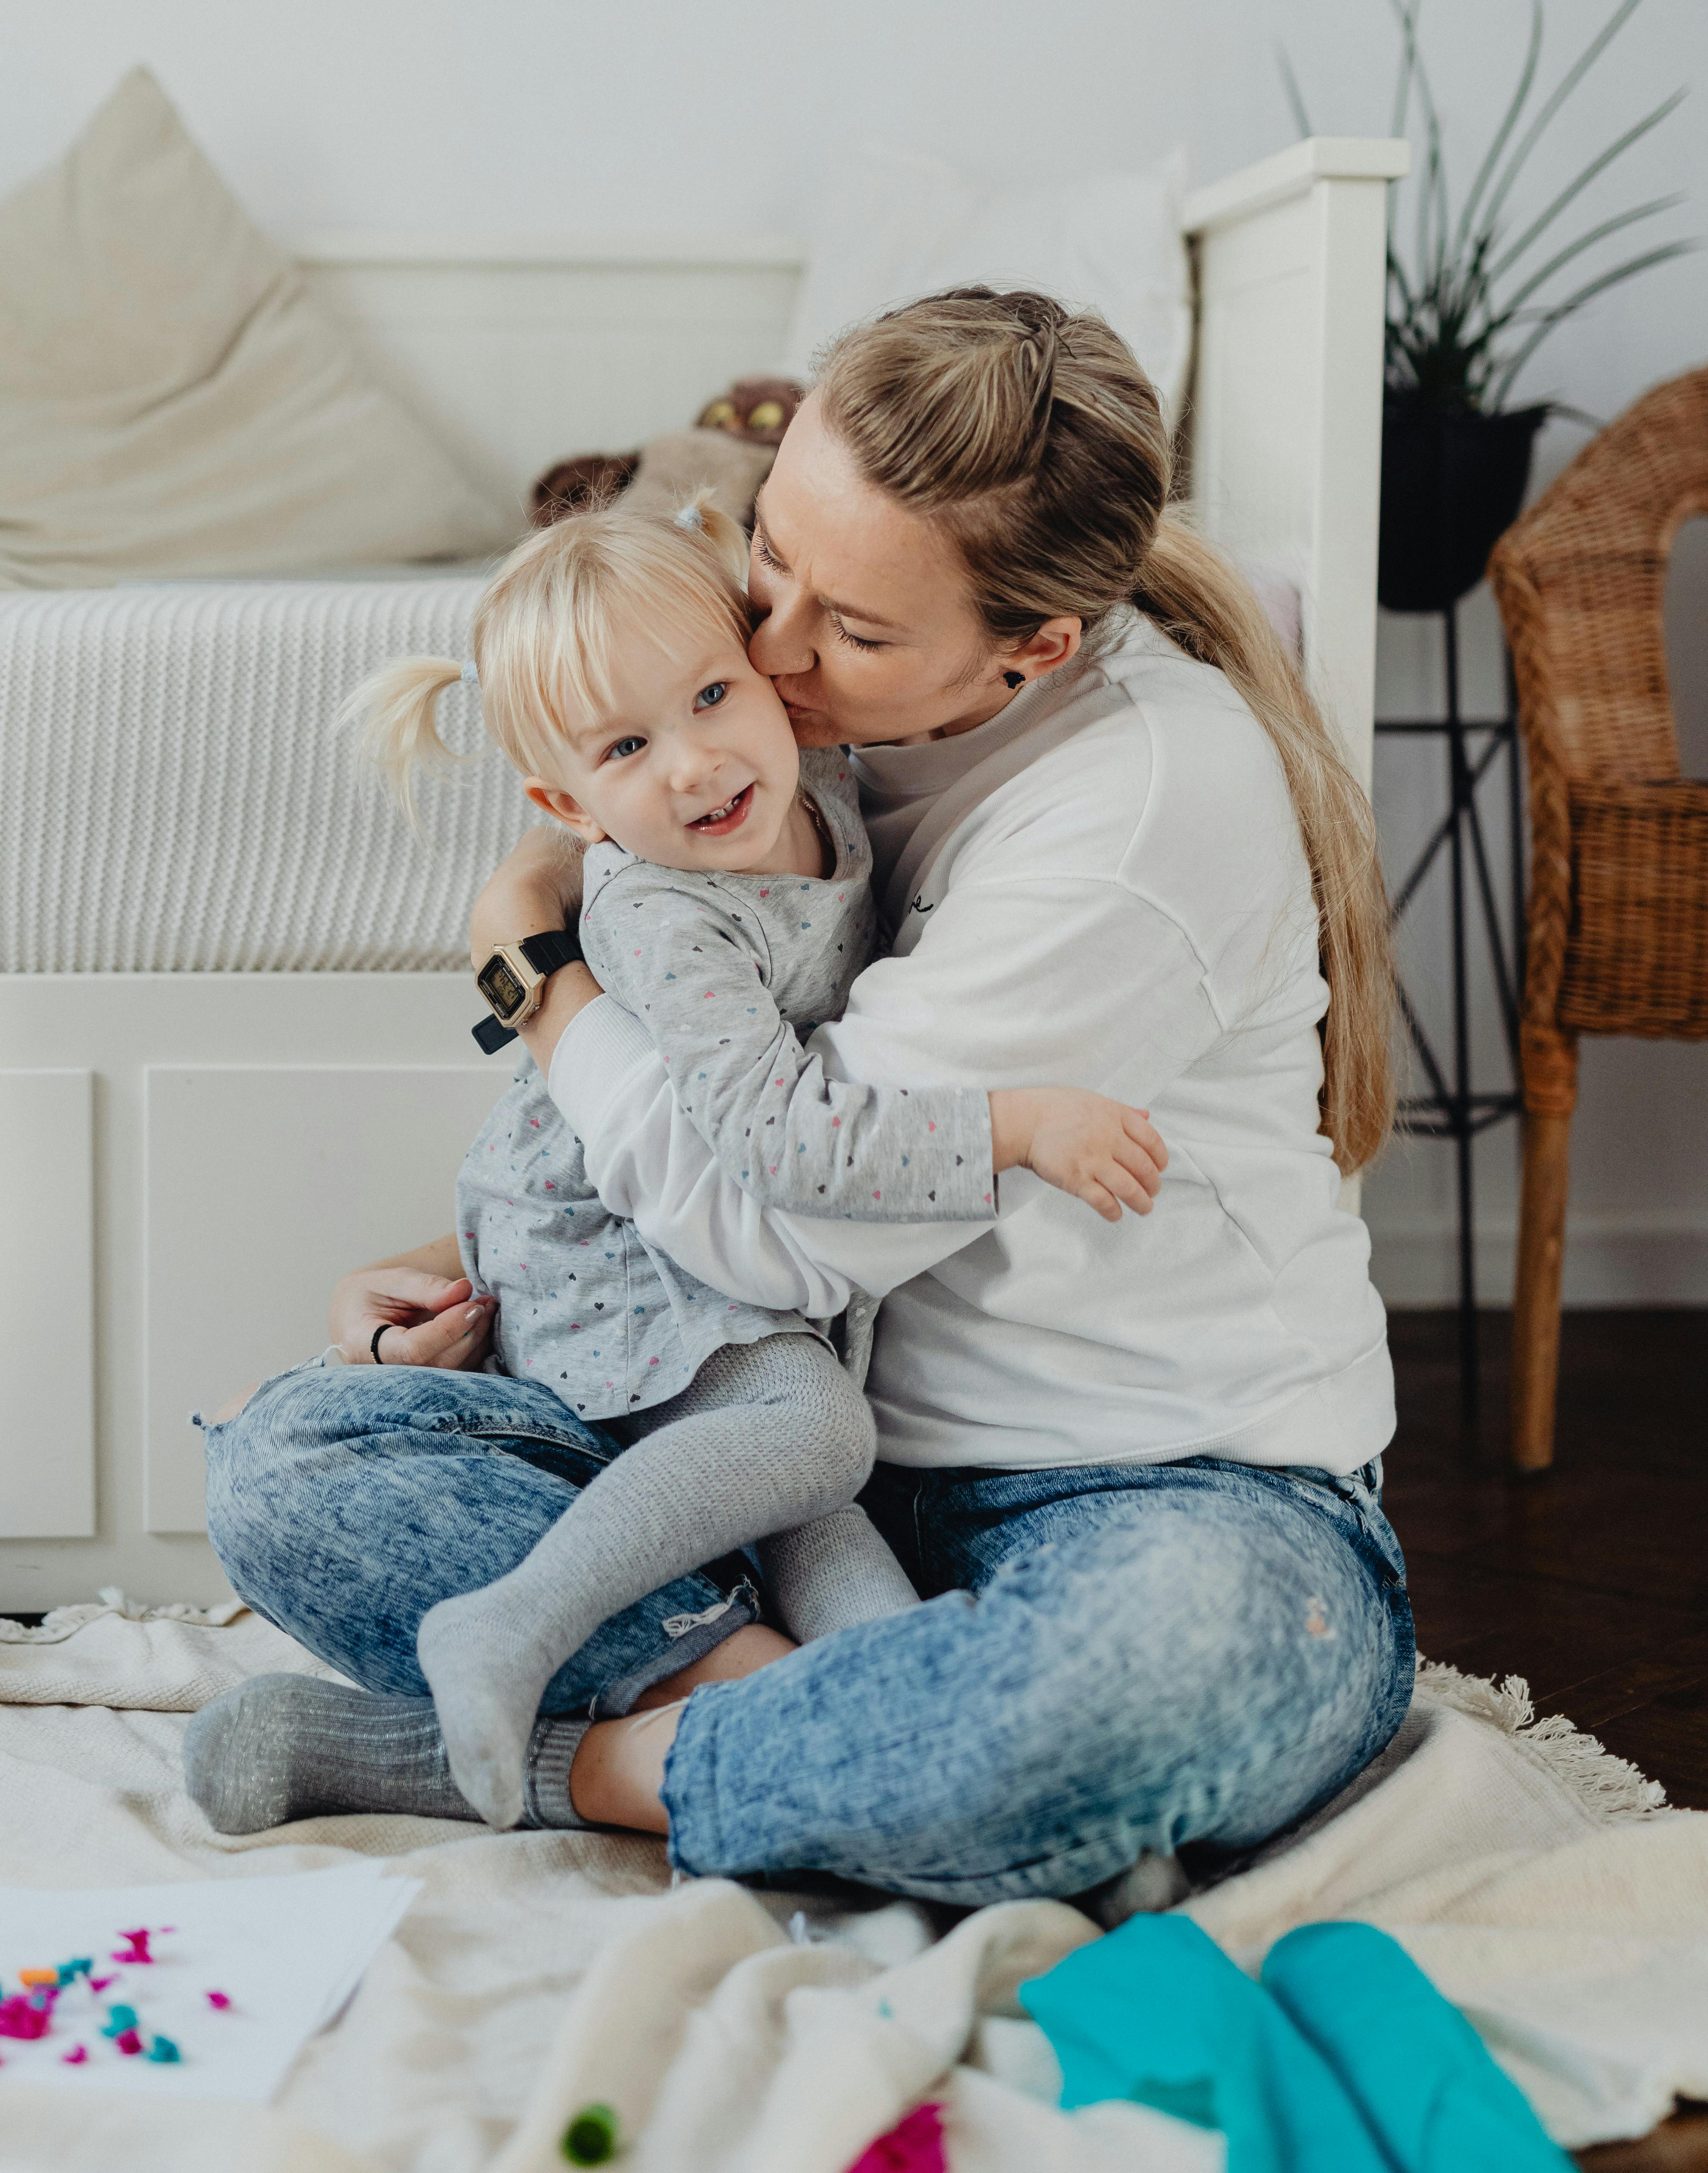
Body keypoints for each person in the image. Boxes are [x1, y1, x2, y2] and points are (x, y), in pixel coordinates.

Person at [188, 290, 1414, 1910]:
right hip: (800, 1466)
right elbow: (723, 1093)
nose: (764, 653)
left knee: (1121, 1697)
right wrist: (475, 1253)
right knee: (291, 1467)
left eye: (852, 627)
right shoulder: (810, 741)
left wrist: (535, 982)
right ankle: (856, 1740)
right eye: (774, 556)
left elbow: (781, 1219)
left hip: (1157, 1487)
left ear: (1035, 646)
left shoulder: (1131, 816)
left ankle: (558, 1766)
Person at [341, 493, 1163, 1828]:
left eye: (712, 695)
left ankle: (952, 1781)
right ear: (570, 804)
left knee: (849, 1584)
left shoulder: (807, 772)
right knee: (817, 1434)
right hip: (607, 1259)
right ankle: (509, 1625)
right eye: (627, 748)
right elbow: (779, 1138)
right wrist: (1016, 1126)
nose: (695, 766)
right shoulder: (669, 914)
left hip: (706, 1256)